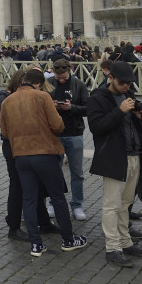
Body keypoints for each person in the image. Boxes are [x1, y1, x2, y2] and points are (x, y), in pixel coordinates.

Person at [1, 68, 88, 256]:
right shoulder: (42, 97)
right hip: (43, 153)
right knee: (57, 197)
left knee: (29, 200)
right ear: (39, 83)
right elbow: (58, 125)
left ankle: (36, 245)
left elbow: (5, 132)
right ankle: (68, 239)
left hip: (21, 156)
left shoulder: (8, 101)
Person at [87, 61, 142, 268]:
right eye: (123, 82)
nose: (126, 86)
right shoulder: (97, 98)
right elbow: (97, 128)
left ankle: (125, 242)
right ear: (111, 78)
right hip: (114, 157)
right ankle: (112, 248)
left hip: (134, 155)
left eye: (129, 83)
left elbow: (141, 128)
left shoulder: (129, 95)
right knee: (112, 205)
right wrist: (120, 111)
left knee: (126, 204)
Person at [49, 59, 89, 221]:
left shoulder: (79, 85)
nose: (61, 80)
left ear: (70, 71)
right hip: (54, 134)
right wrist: (51, 106)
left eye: (64, 77)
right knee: (54, 172)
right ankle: (53, 202)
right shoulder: (48, 83)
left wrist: (71, 107)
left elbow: (88, 108)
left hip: (74, 133)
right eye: (59, 78)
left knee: (77, 172)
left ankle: (77, 204)